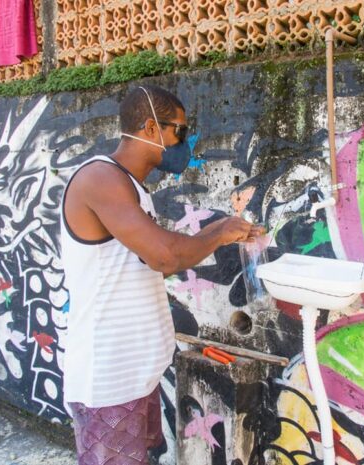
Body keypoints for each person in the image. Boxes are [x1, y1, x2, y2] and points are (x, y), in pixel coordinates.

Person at [59, 85, 263, 465]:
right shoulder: (100, 178)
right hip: (108, 381)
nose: (185, 142)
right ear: (151, 128)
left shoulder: (134, 189)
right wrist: (218, 232)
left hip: (136, 374)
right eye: (180, 131)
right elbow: (166, 257)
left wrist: (220, 231)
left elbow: (161, 252)